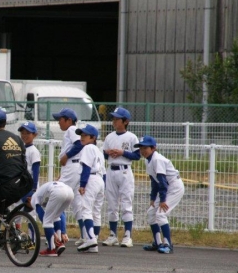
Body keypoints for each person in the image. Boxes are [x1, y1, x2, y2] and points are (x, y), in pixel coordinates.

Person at [135, 135, 184, 254]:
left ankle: (168, 244)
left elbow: (162, 182)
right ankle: (157, 242)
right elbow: (154, 181)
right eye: (141, 148)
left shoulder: (157, 160)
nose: (142, 151)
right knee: (151, 213)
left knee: (161, 214)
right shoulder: (148, 160)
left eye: (145, 148)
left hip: (174, 187)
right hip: (166, 187)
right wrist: (153, 198)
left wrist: (162, 200)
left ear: (153, 148)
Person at [101, 107, 141, 248]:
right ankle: (112, 235)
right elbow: (104, 155)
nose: (114, 121)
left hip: (125, 171)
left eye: (117, 119)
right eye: (114, 118)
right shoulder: (109, 136)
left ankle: (127, 235)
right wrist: (108, 152)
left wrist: (122, 152)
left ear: (125, 121)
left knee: (126, 204)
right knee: (112, 204)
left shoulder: (131, 137)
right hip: (111, 170)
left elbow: (137, 155)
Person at [52, 108, 83, 248]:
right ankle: (85, 236)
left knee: (57, 198)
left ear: (69, 120)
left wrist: (66, 156)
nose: (58, 122)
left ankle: (59, 235)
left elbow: (79, 144)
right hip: (73, 168)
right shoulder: (71, 131)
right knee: (77, 204)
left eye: (60, 119)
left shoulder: (72, 129)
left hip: (72, 167)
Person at [75, 124, 105, 253]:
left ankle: (91, 238)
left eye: (85, 135)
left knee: (86, 210)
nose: (82, 137)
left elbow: (86, 168)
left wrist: (82, 185)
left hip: (91, 179)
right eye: (81, 135)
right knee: (96, 212)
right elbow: (104, 172)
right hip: (100, 180)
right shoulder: (99, 151)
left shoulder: (87, 148)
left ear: (93, 137)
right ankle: (94, 244)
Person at [30, 181, 74, 257]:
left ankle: (51, 249)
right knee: (56, 216)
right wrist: (63, 231)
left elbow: (42, 215)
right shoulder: (42, 194)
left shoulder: (33, 199)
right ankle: (59, 244)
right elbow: (61, 214)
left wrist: (53, 232)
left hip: (57, 191)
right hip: (69, 192)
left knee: (47, 221)